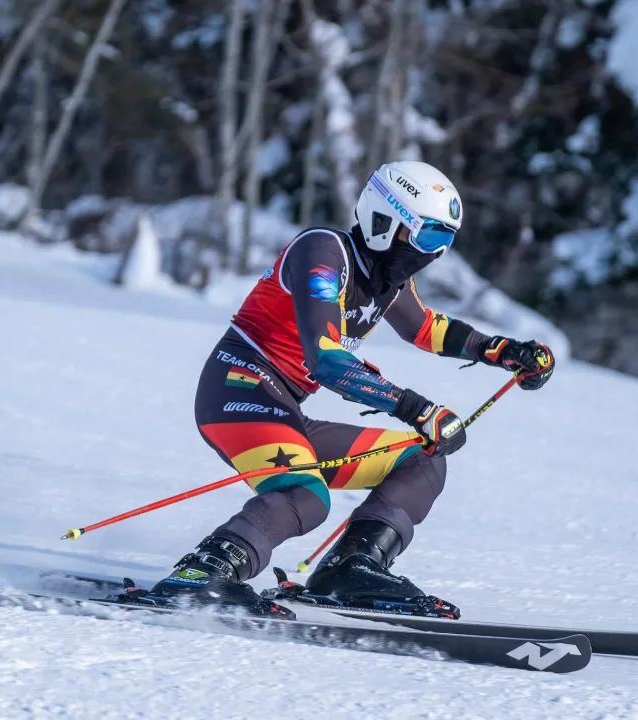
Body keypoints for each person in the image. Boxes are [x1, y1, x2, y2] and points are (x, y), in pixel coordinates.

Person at [147, 160, 555, 617]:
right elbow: (326, 360)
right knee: (307, 495)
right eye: (426, 237)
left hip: (285, 410)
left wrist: (501, 350)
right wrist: (414, 407)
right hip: (238, 391)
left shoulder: (386, 279)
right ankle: (204, 572)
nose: (431, 253)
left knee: (422, 460)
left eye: (443, 241)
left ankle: (350, 568)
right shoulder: (323, 252)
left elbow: (426, 329)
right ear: (385, 220)